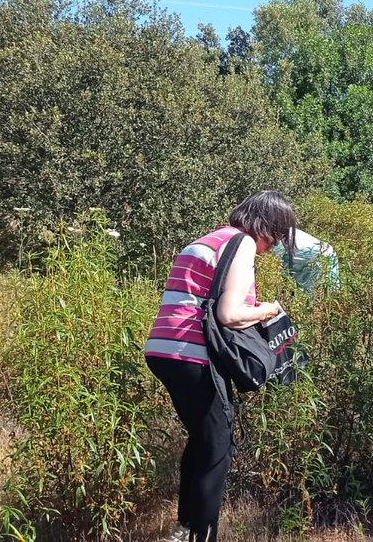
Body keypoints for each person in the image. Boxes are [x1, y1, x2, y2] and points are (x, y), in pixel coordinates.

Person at [144, 191, 298, 542]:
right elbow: (228, 315)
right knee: (217, 446)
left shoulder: (210, 240)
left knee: (204, 440)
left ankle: (185, 529)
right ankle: (202, 534)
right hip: (191, 352)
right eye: (277, 235)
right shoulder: (242, 244)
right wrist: (269, 309)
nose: (274, 245)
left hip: (164, 350)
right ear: (267, 226)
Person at [271, 228, 340, 295]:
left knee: (315, 297)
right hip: (327, 252)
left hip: (315, 258)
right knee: (328, 295)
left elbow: (274, 270)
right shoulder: (286, 231)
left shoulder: (276, 243)